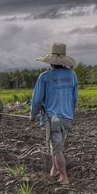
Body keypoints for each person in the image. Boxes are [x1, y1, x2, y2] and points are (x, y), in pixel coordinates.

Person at [30, 43, 78, 185]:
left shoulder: (45, 76)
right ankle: (54, 170)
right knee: (57, 145)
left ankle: (64, 177)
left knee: (57, 149)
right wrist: (71, 114)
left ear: (51, 61)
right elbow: (75, 98)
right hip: (67, 117)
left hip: (53, 118)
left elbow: (37, 99)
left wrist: (32, 115)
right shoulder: (72, 75)